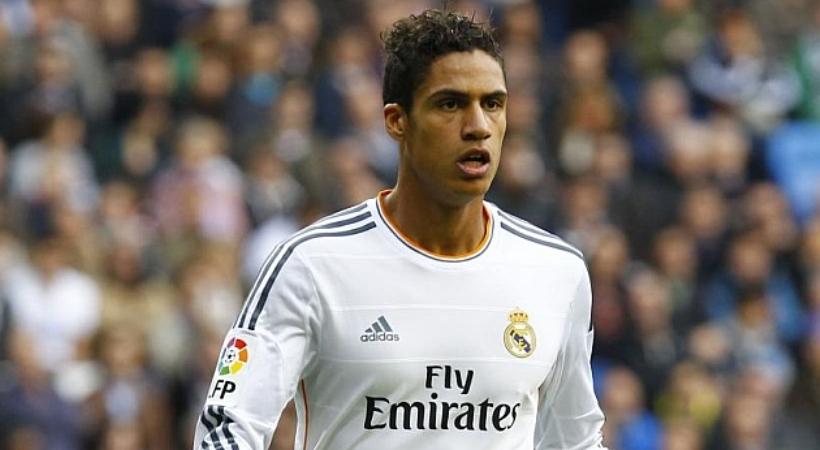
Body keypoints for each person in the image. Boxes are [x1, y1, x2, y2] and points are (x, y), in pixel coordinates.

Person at [193, 9, 606, 449]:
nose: (478, 127)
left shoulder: (556, 271)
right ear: (396, 120)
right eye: (450, 104)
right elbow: (227, 427)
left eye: (493, 104)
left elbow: (577, 441)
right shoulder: (312, 265)